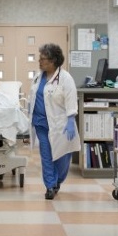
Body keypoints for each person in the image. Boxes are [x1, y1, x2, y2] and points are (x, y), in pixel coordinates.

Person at [29, 43, 80, 200]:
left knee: (62, 157)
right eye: (40, 58)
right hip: (41, 123)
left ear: (53, 61)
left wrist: (71, 119)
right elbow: (34, 97)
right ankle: (50, 186)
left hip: (60, 124)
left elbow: (71, 99)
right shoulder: (38, 76)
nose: (40, 61)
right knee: (46, 155)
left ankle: (58, 180)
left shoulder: (65, 78)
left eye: (43, 59)